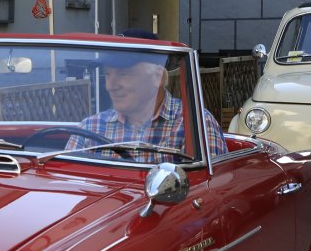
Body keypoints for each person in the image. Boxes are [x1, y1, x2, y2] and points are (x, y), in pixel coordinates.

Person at [79, 31, 229, 160]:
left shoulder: (194, 126)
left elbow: (207, 182)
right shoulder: (91, 128)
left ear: (158, 77)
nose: (110, 86)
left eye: (124, 74)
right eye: (107, 74)